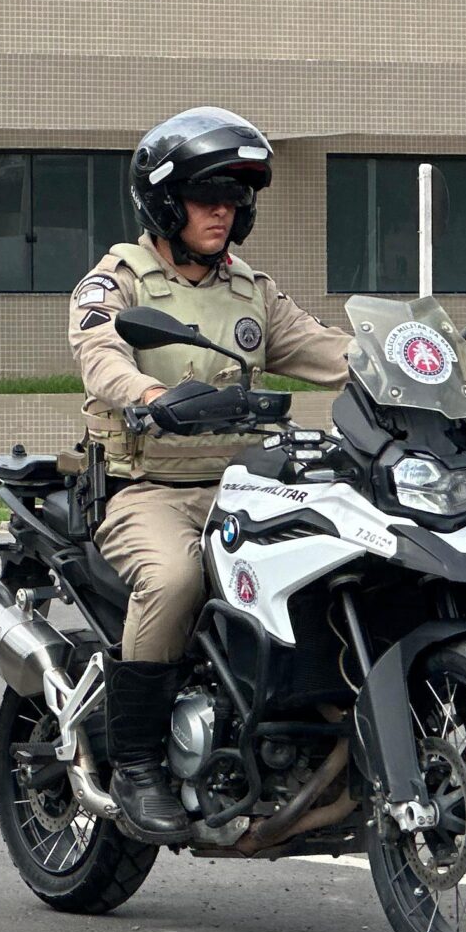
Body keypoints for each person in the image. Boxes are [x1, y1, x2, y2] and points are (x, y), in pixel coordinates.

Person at [67, 107, 359, 843]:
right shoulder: (115, 283)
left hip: (247, 487)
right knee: (174, 578)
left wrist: (432, 377)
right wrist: (149, 394)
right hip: (146, 490)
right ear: (167, 202)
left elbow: (327, 349)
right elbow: (101, 358)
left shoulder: (250, 291)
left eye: (234, 197)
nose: (223, 211)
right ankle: (138, 764)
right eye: (206, 197)